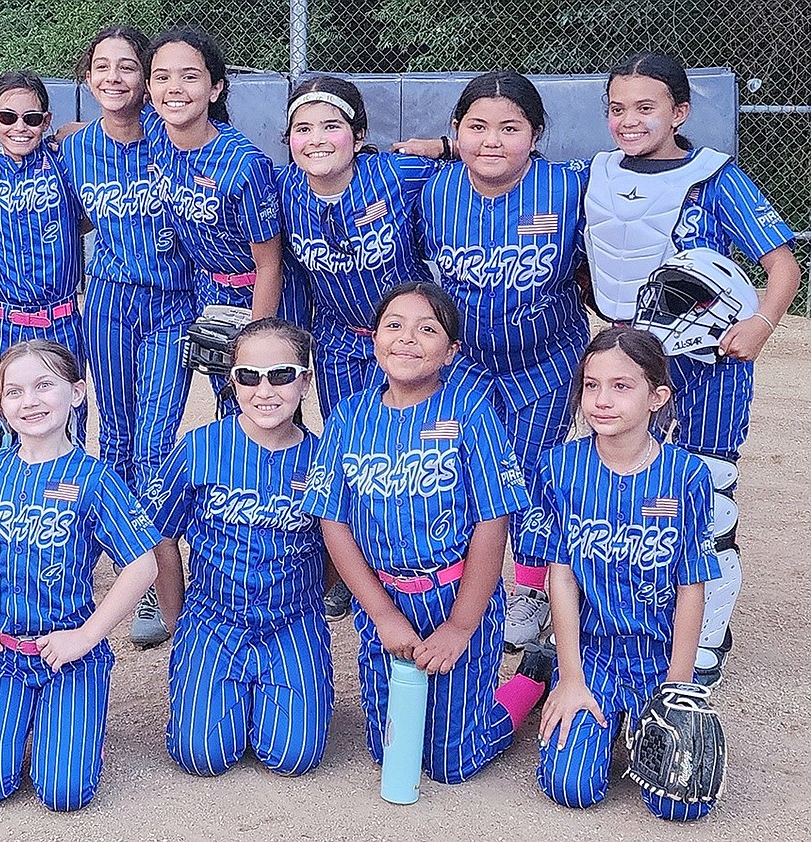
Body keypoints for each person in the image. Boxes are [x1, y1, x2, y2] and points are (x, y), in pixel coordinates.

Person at [584, 53, 800, 683]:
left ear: (679, 112)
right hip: (625, 357)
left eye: (646, 107)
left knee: (709, 501)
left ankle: (706, 636)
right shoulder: (595, 173)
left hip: (705, 360)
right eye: (617, 109)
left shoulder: (715, 177)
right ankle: (639, 616)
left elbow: (782, 266)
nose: (630, 120)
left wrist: (759, 325)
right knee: (629, 490)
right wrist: (441, 143)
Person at [301, 282, 553, 784]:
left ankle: (530, 680)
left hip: (456, 593)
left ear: (451, 350)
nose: (407, 339)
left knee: (451, 763)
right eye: (393, 325)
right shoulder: (350, 416)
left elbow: (493, 519)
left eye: (427, 329)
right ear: (374, 338)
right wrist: (381, 614)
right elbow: (334, 521)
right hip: (385, 597)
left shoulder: (470, 411)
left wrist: (461, 625)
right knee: (392, 750)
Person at [406, 72, 592, 651]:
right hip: (464, 366)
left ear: (536, 135)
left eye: (510, 128)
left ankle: (531, 591)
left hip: (546, 359)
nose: (493, 140)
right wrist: (441, 150)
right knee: (460, 475)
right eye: (476, 127)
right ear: (455, 131)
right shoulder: (432, 192)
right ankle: (462, 584)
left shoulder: (570, 187)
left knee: (532, 476)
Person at [0, 340, 159, 810]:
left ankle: (64, 720)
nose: (30, 401)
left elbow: (143, 564)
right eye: (14, 392)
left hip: (68, 652)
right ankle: (19, 718)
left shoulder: (95, 477)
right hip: (1, 650)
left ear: (77, 393)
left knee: (65, 793)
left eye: (45, 386)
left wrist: (86, 636)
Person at [518, 326, 721, 821]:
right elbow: (560, 576)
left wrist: (679, 687)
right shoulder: (559, 467)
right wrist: (571, 677)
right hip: (593, 656)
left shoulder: (687, 474)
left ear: (658, 397)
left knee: (680, 807)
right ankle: (546, 673)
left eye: (621, 386)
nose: (602, 400)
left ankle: (639, 714)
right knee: (572, 787)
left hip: (658, 657)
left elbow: (691, 583)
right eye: (592, 385)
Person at [279, 75, 441, 620]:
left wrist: (440, 145)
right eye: (303, 128)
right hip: (342, 344)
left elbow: (478, 159)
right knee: (356, 455)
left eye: (331, 125)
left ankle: (423, 559)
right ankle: (353, 571)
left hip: (407, 342)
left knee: (418, 451)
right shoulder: (285, 189)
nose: (317, 138)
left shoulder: (398, 173)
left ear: (358, 133)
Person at [56, 26, 195, 648]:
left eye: (127, 67)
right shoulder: (74, 149)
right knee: (109, 436)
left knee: (155, 442)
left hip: (174, 303)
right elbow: (5, 178)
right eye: (101, 67)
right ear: (87, 79)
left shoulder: (175, 142)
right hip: (109, 300)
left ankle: (160, 587)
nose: (114, 78)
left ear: (146, 79)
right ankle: (119, 578)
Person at [145, 318, 333, 777]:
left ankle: (282, 689)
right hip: (213, 619)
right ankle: (213, 685)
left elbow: (337, 548)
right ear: (233, 382)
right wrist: (176, 617)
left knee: (295, 757)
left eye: (281, 375)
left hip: (292, 621)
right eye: (249, 376)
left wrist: (312, 600)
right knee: (201, 756)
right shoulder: (200, 448)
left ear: (305, 381)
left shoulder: (325, 456)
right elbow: (161, 536)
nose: (264, 390)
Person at [0, 70, 86, 447]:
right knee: (11, 429)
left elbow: (120, 132)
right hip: (1, 322)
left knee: (67, 427)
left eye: (32, 119)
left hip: (59, 319)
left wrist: (75, 129)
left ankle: (68, 503)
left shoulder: (66, 163)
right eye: (7, 117)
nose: (20, 127)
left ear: (46, 122)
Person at [141, 29, 288, 328]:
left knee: (257, 372)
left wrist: (254, 337)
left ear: (215, 88)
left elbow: (269, 265)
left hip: (257, 293)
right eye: (162, 77)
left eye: (190, 76)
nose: (174, 88)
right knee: (220, 377)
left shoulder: (244, 165)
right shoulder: (156, 130)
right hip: (208, 291)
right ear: (148, 87)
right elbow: (115, 123)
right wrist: (69, 131)